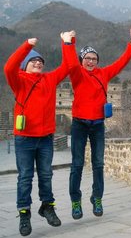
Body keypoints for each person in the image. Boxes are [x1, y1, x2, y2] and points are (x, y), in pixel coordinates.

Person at [61, 26, 131, 220]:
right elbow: (70, 63)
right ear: (82, 60)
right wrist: (69, 43)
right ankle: (75, 201)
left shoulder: (104, 73)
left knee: (98, 164)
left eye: (94, 59)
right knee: (77, 164)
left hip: (97, 125)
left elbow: (121, 63)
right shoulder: (77, 74)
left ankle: (97, 198)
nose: (91, 62)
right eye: (87, 58)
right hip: (79, 124)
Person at [4, 36, 68, 236]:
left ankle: (47, 206)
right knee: (25, 177)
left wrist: (67, 44)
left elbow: (69, 66)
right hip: (24, 139)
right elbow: (8, 67)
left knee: (46, 174)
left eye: (40, 60)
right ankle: (24, 213)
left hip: (46, 138)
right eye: (33, 60)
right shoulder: (19, 80)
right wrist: (27, 46)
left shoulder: (49, 79)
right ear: (25, 65)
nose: (38, 62)